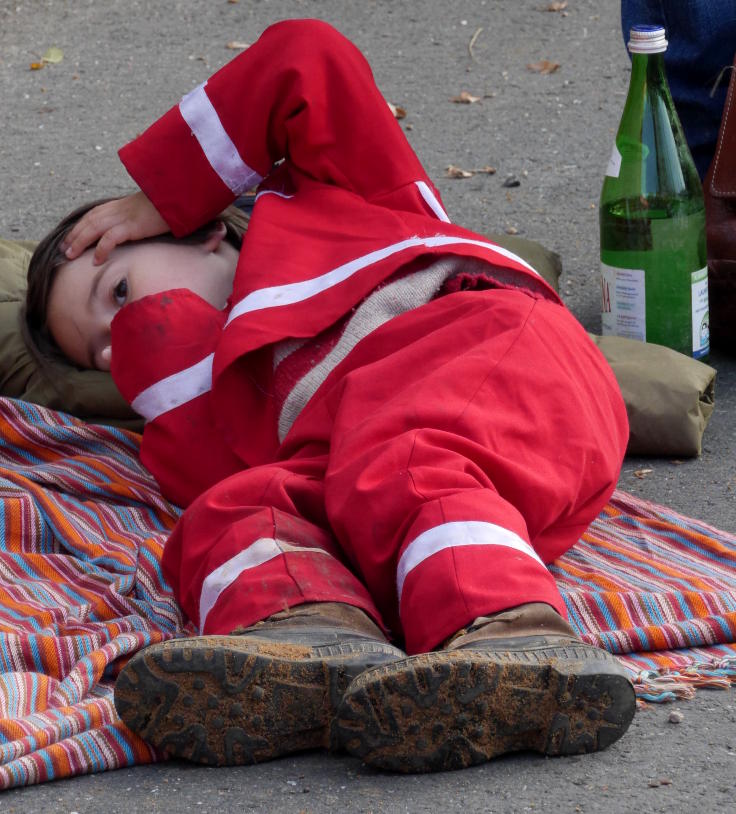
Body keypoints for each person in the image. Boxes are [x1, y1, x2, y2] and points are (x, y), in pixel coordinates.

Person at [25, 19, 635, 773]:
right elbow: (220, 478)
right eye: (101, 352)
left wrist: (170, 188)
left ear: (201, 230)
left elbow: (305, 56)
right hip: (396, 488)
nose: (123, 336)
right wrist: (165, 365)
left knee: (404, 460)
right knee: (235, 511)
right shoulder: (223, 398)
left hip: (497, 357)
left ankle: (518, 641)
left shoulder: (340, 201)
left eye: (119, 290)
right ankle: (314, 643)